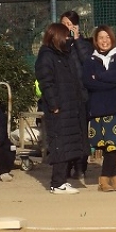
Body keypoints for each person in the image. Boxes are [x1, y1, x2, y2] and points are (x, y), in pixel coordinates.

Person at [35, 23, 89, 194]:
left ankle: (61, 181)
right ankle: (57, 183)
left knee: (68, 145)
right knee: (60, 144)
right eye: (65, 36)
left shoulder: (64, 54)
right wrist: (54, 105)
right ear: (56, 37)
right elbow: (46, 83)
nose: (68, 39)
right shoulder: (46, 56)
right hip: (58, 109)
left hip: (70, 106)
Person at [82, 25, 116, 191]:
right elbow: (88, 82)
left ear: (112, 39)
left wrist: (99, 77)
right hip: (98, 108)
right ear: (96, 40)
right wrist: (111, 84)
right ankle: (114, 178)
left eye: (107, 37)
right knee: (106, 145)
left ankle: (106, 178)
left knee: (113, 144)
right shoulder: (90, 60)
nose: (104, 41)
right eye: (101, 38)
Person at [60, 10, 93, 182]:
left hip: (82, 96)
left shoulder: (84, 44)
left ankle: (80, 167)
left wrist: (77, 39)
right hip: (64, 96)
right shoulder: (57, 45)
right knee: (65, 132)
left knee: (81, 132)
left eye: (70, 24)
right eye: (64, 24)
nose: (67, 28)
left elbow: (88, 61)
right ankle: (66, 165)